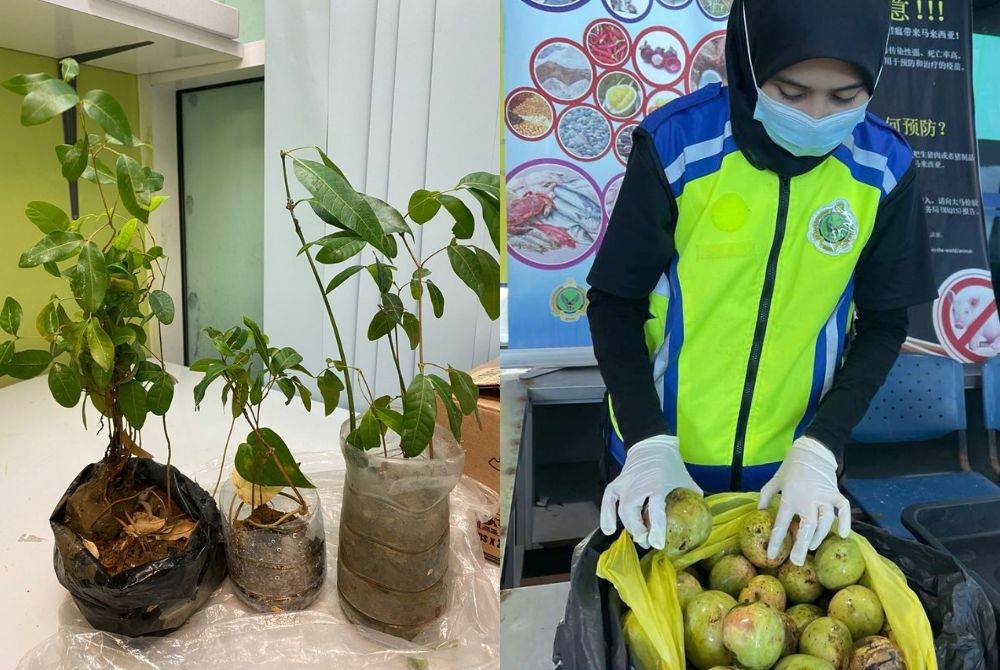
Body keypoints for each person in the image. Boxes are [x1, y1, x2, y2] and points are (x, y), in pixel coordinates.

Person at [587, 0, 938, 566]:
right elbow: (613, 303)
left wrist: (821, 447)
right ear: (750, 67)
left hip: (792, 475)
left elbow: (884, 322)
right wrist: (646, 440)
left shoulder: (884, 167)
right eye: (792, 93)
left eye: (844, 97)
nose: (817, 116)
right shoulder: (678, 144)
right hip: (659, 458)